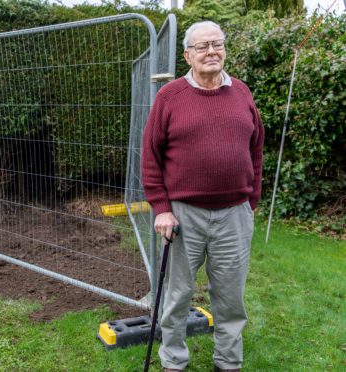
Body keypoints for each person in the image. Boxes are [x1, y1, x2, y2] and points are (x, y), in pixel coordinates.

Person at [141, 20, 264, 372]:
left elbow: (256, 148)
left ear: (224, 49)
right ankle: (173, 362)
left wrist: (250, 200)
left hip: (234, 214)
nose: (211, 51)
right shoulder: (170, 97)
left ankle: (228, 363)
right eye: (202, 46)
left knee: (230, 299)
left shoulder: (242, 92)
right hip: (184, 214)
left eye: (217, 44)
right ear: (187, 55)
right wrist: (161, 209)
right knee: (177, 296)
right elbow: (150, 155)